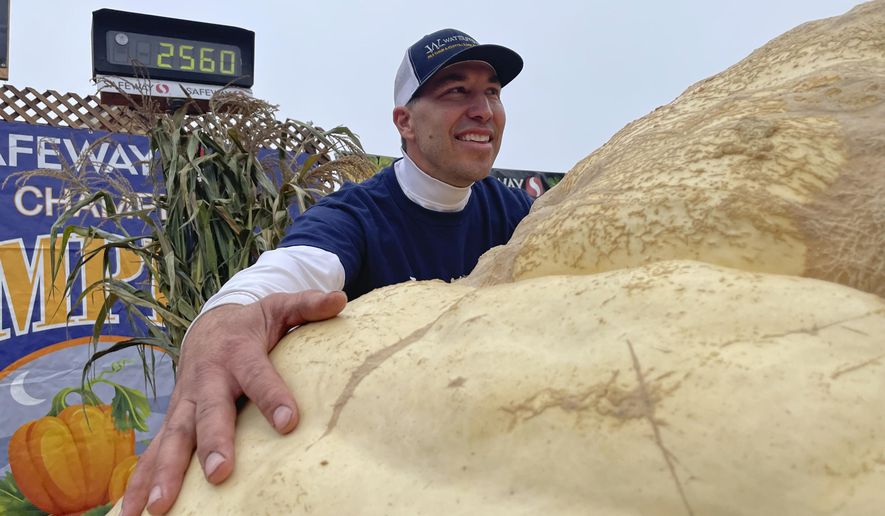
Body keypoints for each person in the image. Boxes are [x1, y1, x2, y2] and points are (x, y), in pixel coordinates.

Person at [121, 28, 532, 515]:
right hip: (383, 473)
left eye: (492, 92)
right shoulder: (357, 215)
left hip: (487, 451)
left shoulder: (517, 213)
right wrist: (219, 327)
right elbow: (292, 267)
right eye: (456, 91)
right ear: (404, 121)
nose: (483, 110)